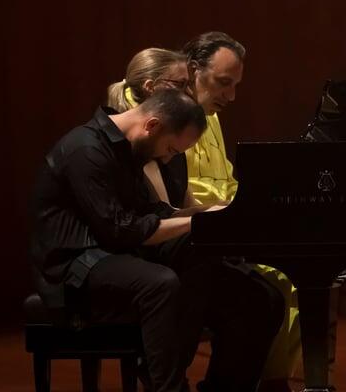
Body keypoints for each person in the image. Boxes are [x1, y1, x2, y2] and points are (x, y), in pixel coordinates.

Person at [30, 89, 286, 392]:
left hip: (118, 251)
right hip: (77, 267)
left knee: (259, 297)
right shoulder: (85, 150)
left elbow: (149, 213)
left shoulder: (126, 147)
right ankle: (167, 386)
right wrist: (197, 221)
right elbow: (119, 230)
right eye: (171, 150)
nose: (167, 158)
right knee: (161, 283)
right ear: (152, 125)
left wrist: (207, 211)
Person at [181, 31, 302, 391]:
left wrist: (258, 203)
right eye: (223, 83)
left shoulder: (211, 116)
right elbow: (184, 191)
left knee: (291, 275)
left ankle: (271, 380)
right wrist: (239, 207)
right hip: (190, 240)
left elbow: (227, 179)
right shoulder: (170, 116)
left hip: (221, 229)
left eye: (235, 85)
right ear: (193, 70)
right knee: (268, 287)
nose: (231, 96)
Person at [106, 47, 201, 208]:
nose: (189, 93)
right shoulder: (142, 141)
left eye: (189, 84)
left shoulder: (171, 132)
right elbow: (165, 214)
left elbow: (187, 205)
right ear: (150, 87)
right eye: (181, 84)